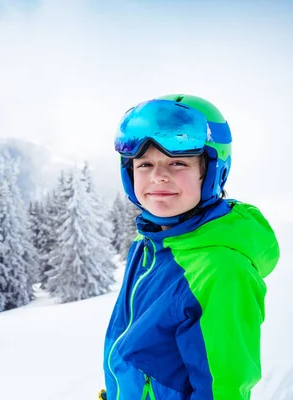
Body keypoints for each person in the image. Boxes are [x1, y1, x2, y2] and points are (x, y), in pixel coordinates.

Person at [101, 94, 280, 400]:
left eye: (178, 162)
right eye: (144, 164)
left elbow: (223, 388)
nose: (158, 176)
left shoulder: (220, 269)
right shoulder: (147, 244)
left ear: (211, 171)